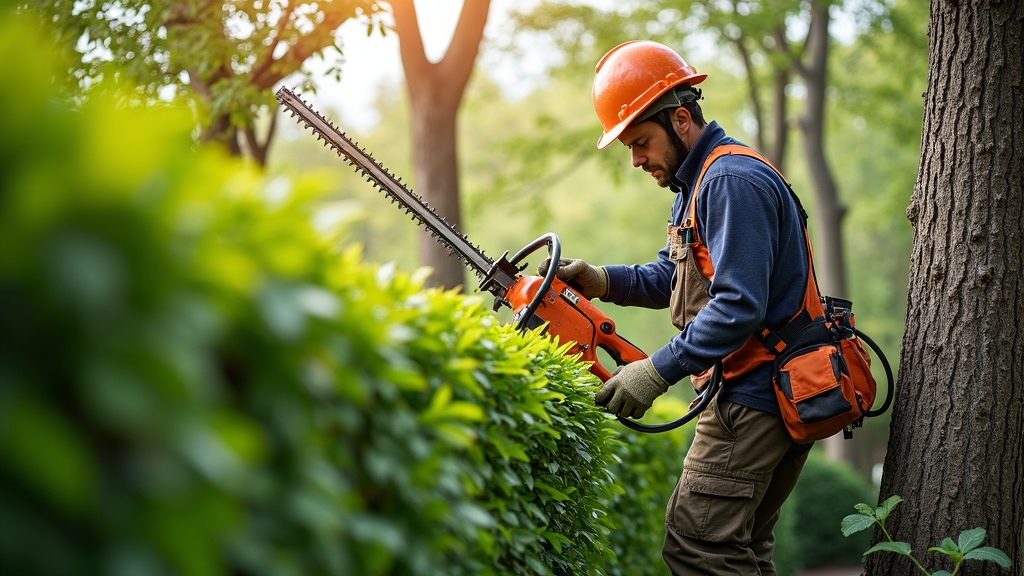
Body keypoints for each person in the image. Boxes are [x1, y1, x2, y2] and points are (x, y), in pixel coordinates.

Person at [542, 40, 816, 574]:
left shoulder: (731, 181)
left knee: (698, 546)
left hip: (754, 394)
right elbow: (678, 277)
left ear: (682, 120)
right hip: (758, 391)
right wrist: (602, 280)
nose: (637, 159)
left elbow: (738, 306)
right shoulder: (701, 181)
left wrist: (656, 372)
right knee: (741, 549)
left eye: (641, 142)